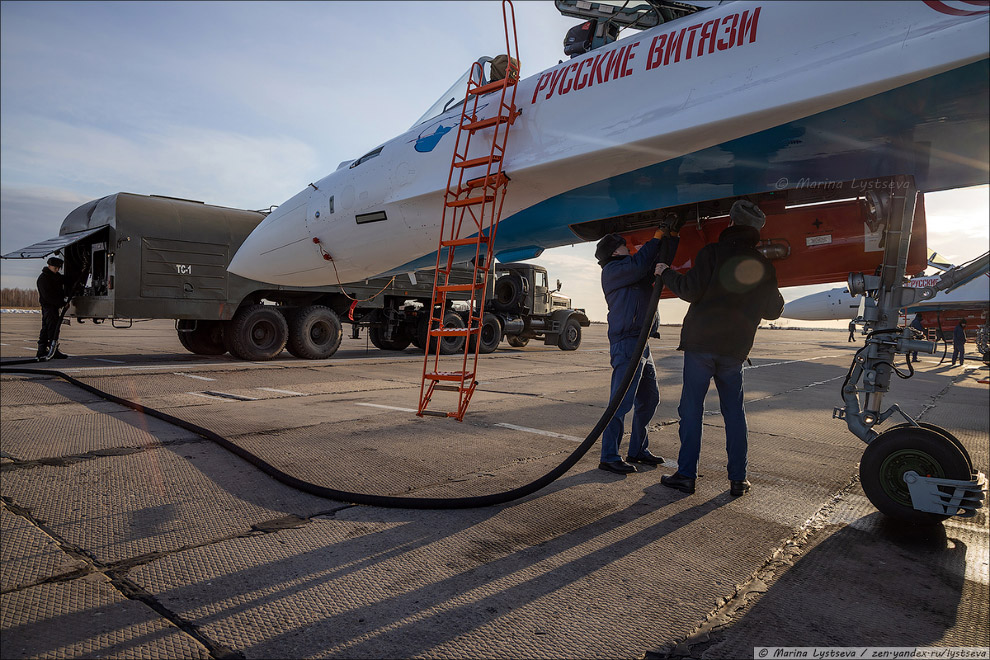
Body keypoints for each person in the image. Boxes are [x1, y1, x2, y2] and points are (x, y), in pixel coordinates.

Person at [655, 200, 784, 496]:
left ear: (729, 224)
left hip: (701, 345)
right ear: (756, 232)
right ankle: (738, 479)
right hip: (734, 351)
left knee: (691, 410)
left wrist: (666, 272)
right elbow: (774, 310)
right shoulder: (762, 265)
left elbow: (689, 290)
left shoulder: (712, 253)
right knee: (734, 414)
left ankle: (686, 476)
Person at [595, 217, 681, 475]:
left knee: (650, 398)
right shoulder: (614, 270)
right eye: (624, 246)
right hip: (627, 343)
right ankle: (609, 455)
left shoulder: (632, 267)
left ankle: (637, 449)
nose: (628, 248)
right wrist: (656, 236)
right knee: (621, 402)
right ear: (613, 252)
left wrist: (672, 236)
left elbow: (659, 261)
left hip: (642, 343)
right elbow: (642, 261)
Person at [36, 256, 69, 359]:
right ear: (49, 266)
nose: (57, 270)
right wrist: (62, 303)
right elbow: (48, 296)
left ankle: (45, 350)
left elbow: (63, 280)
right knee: (51, 328)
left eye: (58, 268)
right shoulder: (44, 278)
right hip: (48, 307)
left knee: (48, 328)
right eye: (55, 268)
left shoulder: (55, 276)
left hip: (52, 307)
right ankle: (50, 350)